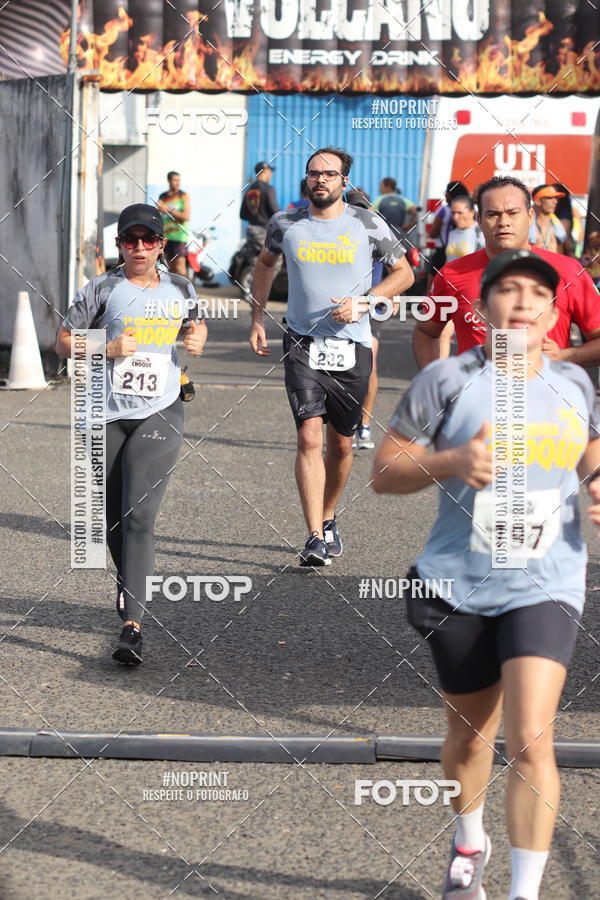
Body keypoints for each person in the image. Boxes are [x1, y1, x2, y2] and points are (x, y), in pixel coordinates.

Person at [373, 249, 600, 900]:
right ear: (481, 308)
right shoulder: (445, 380)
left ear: (553, 316)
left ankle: (523, 893)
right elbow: (384, 473)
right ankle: (469, 840)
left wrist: (597, 478)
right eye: (508, 290)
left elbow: (590, 445)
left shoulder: (574, 384)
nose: (523, 301)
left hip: (547, 578)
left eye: (538, 294)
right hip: (458, 582)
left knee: (530, 737)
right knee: (471, 740)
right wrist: (450, 461)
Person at [55, 203, 207, 665]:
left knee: (139, 514)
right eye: (129, 240)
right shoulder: (101, 288)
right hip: (103, 414)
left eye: (148, 240)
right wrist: (107, 345)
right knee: (113, 519)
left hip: (159, 410)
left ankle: (132, 627)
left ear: (162, 245)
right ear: (119, 245)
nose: (139, 247)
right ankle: (130, 586)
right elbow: (62, 341)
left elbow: (195, 324)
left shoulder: (181, 287)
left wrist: (197, 337)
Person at [248, 147, 414, 565]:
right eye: (313, 173)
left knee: (340, 446)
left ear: (344, 180)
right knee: (308, 436)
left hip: (352, 345)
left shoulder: (368, 223)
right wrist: (257, 317)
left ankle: (328, 515)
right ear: (306, 179)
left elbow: (405, 274)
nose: (320, 179)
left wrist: (365, 301)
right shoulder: (285, 223)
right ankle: (314, 537)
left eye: (329, 173)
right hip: (302, 342)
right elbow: (265, 265)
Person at [413, 175, 600, 371]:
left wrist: (564, 356)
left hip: (546, 389)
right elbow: (425, 331)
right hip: (475, 389)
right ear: (479, 220)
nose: (503, 222)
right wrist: (435, 380)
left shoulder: (569, 271)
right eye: (493, 214)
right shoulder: (451, 274)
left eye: (513, 213)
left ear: (530, 216)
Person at [426, 181, 470, 290]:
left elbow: (433, 233)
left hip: (442, 252)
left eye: (446, 192)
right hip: (463, 250)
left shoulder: (443, 210)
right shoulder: (470, 209)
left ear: (449, 194)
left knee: (434, 285)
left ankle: (430, 299)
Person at [239, 161, 280, 261]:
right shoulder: (268, 189)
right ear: (265, 171)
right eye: (270, 171)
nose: (271, 174)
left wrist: (254, 217)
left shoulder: (249, 190)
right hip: (264, 232)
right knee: (275, 261)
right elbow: (275, 211)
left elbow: (242, 214)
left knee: (254, 261)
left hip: (251, 232)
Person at [157, 171, 191, 276]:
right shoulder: (163, 196)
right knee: (171, 270)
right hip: (166, 237)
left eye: (179, 180)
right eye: (175, 180)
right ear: (169, 180)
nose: (177, 183)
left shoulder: (183, 196)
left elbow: (186, 216)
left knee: (180, 270)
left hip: (179, 237)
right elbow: (159, 210)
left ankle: (186, 287)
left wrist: (167, 209)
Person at [372, 177, 418, 243]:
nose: (380, 188)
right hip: (399, 235)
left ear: (388, 187)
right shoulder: (404, 200)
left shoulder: (378, 200)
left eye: (381, 185)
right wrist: (408, 226)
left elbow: (370, 215)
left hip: (383, 235)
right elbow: (418, 214)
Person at [529, 185, 567, 254]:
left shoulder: (558, 227)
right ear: (538, 201)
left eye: (556, 198)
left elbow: (565, 252)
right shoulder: (526, 227)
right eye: (550, 198)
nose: (555, 201)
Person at [445, 195, 484, 262]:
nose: (455, 217)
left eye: (459, 213)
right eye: (453, 213)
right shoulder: (452, 233)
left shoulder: (481, 232)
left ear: (472, 213)